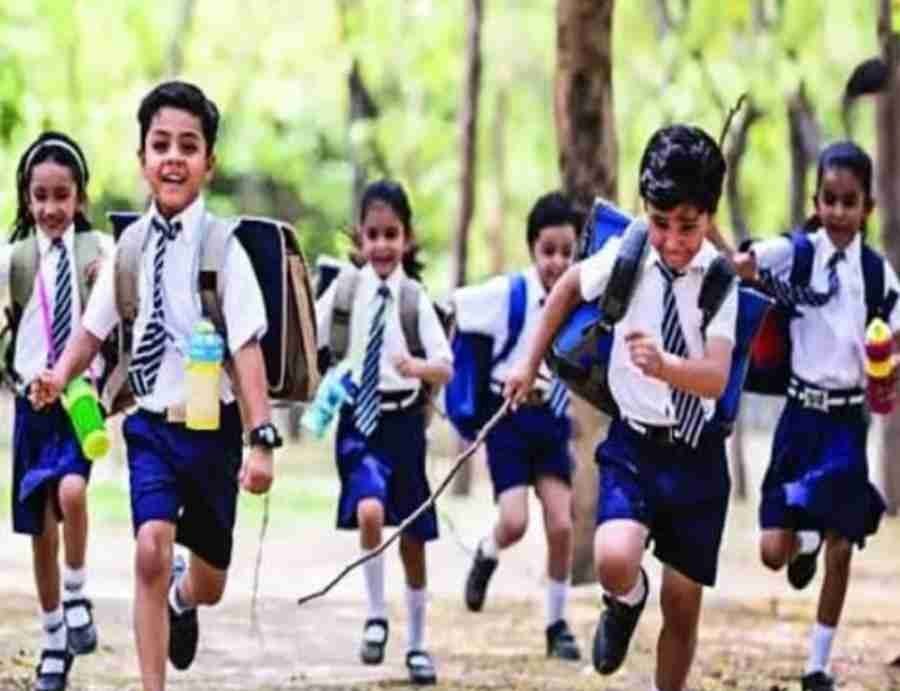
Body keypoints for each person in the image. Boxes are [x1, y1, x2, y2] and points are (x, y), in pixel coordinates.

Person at [30, 80, 280, 691]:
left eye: (188, 146)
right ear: (142, 158)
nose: (173, 157)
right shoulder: (130, 248)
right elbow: (92, 331)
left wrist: (261, 439)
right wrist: (58, 375)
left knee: (211, 580)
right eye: (160, 145)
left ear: (209, 163)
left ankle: (183, 597)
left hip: (213, 429)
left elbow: (246, 348)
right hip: (151, 428)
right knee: (149, 549)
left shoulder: (224, 249)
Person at [505, 124, 735, 691]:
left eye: (688, 226)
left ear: (710, 216)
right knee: (614, 557)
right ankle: (627, 600)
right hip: (635, 445)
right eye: (661, 222)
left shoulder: (719, 280)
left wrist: (666, 366)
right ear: (644, 209)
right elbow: (566, 290)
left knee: (683, 606)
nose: (673, 240)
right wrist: (528, 363)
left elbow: (714, 377)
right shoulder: (628, 253)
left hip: (698, 458)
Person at [732, 141, 900, 691]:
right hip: (799, 419)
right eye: (829, 199)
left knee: (842, 544)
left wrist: (887, 363)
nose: (838, 212)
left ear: (867, 207)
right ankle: (802, 542)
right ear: (816, 201)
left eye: (849, 202)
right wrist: (741, 262)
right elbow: (752, 261)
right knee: (772, 552)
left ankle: (817, 664)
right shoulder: (799, 254)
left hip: (846, 423)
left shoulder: (877, 276)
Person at [315, 179, 453, 685]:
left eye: (391, 234)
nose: (381, 245)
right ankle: (375, 616)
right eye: (372, 235)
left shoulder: (414, 299)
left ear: (407, 238)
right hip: (358, 420)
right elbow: (309, 335)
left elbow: (445, 366)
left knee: (413, 538)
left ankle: (416, 643)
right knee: (370, 510)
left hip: (404, 424)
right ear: (359, 237)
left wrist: (416, 367)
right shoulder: (345, 292)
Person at [5, 131, 112, 691]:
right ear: (27, 199)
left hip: (79, 398)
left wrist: (108, 279)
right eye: (40, 196)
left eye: (62, 196)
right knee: (40, 528)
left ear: (80, 197)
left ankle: (76, 595)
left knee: (72, 491)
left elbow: (127, 299)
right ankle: (52, 639)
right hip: (32, 403)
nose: (51, 208)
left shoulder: (99, 253)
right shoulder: (15, 260)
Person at [454, 191, 581, 660]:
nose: (557, 262)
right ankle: (487, 550)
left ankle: (556, 623)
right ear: (532, 249)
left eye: (567, 252)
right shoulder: (510, 294)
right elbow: (455, 306)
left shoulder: (580, 299)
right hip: (508, 417)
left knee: (561, 525)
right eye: (548, 251)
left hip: (552, 418)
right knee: (514, 521)